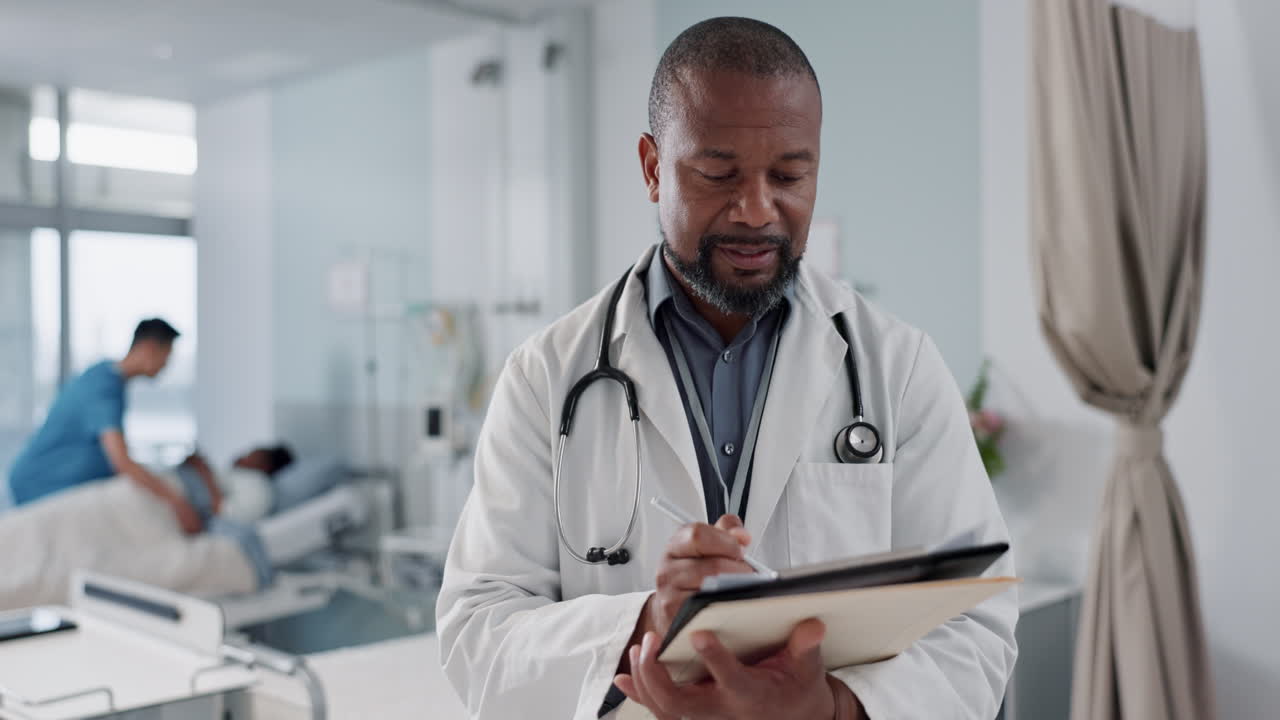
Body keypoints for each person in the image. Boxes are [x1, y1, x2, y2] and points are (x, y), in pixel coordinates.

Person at [436, 17, 1017, 720]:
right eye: (718, 175)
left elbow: (978, 629)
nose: (756, 209)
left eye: (790, 175)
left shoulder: (897, 368)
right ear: (653, 168)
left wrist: (829, 709)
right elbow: (477, 633)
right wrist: (647, 624)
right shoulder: (544, 377)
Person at [7, 318, 204, 533]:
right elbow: (121, 461)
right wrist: (176, 502)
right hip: (41, 485)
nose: (166, 365)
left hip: (50, 484)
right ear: (149, 347)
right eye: (167, 356)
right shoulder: (104, 387)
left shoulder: (107, 377)